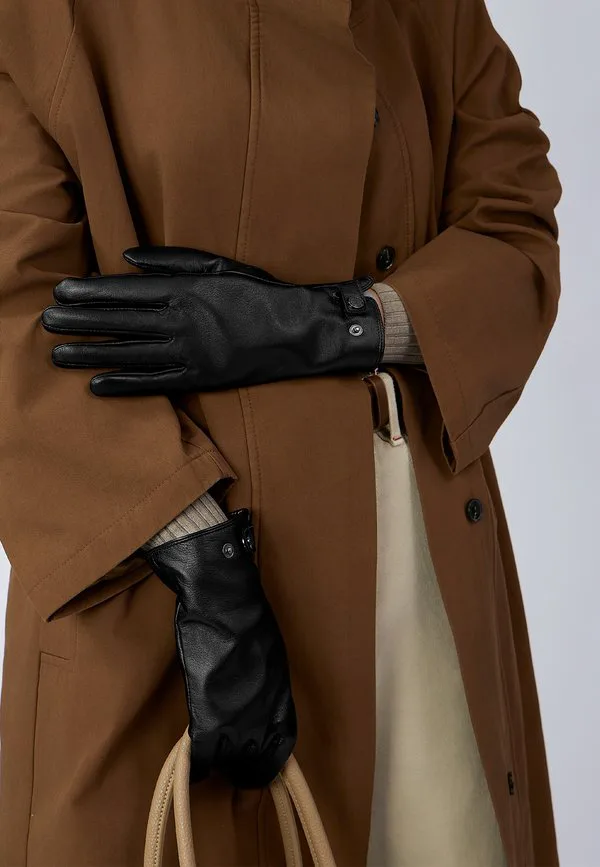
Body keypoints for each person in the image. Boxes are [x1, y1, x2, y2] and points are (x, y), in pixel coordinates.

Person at [0, 0, 562, 864]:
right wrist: (205, 568)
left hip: (415, 569)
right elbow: (15, 315)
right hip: (162, 568)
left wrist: (330, 324)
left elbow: (512, 227)